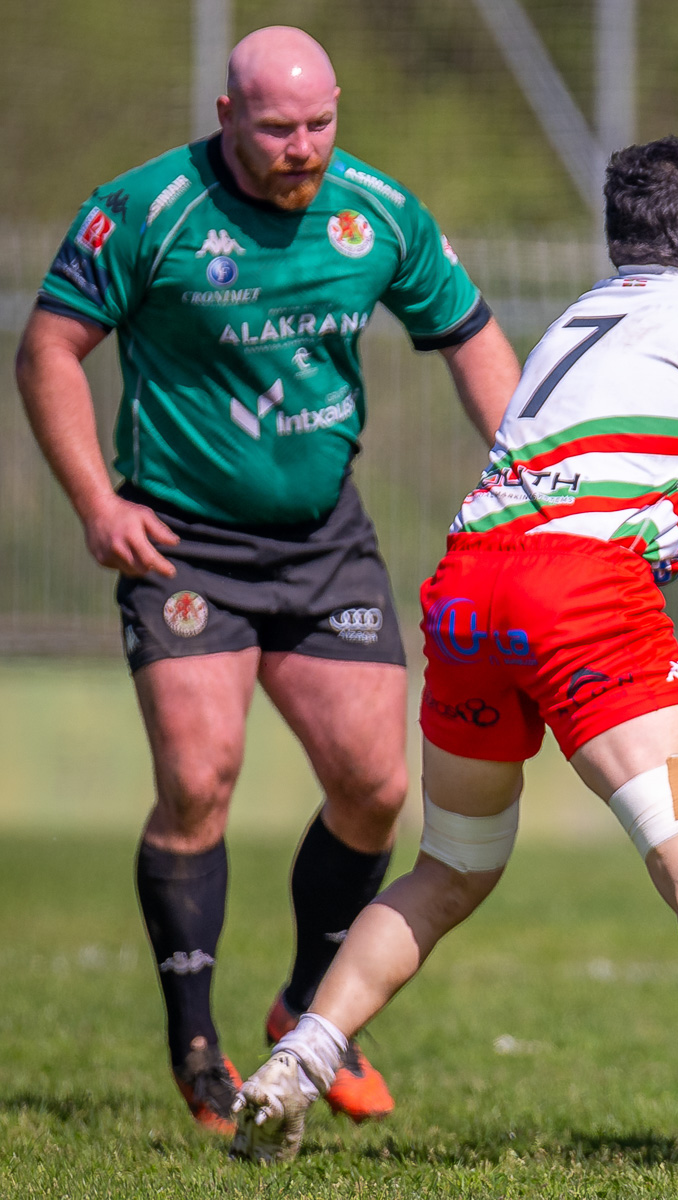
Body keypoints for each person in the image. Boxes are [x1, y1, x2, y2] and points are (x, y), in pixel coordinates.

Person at [230, 136, 678, 1176]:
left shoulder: (581, 322)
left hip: (471, 589)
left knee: (452, 866)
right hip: (582, 597)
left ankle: (295, 1062)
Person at [14, 27, 520, 1135]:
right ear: (226, 114)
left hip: (324, 540)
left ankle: (306, 1007)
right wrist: (98, 503)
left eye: (319, 124)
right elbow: (48, 349)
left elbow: (472, 337)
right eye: (278, 128)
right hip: (183, 542)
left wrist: (525, 480)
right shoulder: (146, 211)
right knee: (201, 780)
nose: (302, 147)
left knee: (374, 786)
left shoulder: (377, 214)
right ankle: (197, 1047)